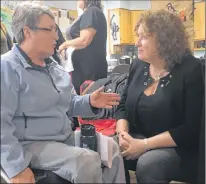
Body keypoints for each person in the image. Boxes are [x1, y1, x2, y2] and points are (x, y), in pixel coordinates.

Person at [1, 2, 126, 183]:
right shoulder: (7, 67)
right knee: (86, 161)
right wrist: (16, 167)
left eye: (55, 29)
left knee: (111, 148)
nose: (57, 35)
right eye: (50, 29)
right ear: (28, 32)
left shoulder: (54, 67)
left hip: (63, 137)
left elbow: (69, 103)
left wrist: (89, 101)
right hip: (30, 143)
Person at [115, 10, 204, 184]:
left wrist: (145, 145)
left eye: (144, 37)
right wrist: (122, 134)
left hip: (177, 148)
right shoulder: (138, 65)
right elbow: (123, 106)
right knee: (107, 149)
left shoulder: (191, 69)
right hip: (137, 138)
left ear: (165, 41)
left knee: (149, 164)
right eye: (137, 36)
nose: (137, 42)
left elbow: (190, 128)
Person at [59, 0, 108, 95]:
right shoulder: (89, 13)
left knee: (88, 103)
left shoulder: (92, 12)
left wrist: (65, 45)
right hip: (82, 69)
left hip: (89, 71)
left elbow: (84, 40)